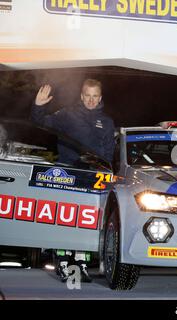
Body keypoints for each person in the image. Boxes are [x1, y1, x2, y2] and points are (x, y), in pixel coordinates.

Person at [31, 79, 115, 282]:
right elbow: (40, 122)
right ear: (81, 96)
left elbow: (109, 153)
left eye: (95, 96)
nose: (91, 100)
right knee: (66, 219)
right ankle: (62, 261)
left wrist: (107, 173)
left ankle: (81, 265)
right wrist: (38, 106)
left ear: (100, 98)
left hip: (92, 178)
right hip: (68, 174)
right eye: (88, 95)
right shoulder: (67, 114)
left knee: (87, 221)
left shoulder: (107, 122)